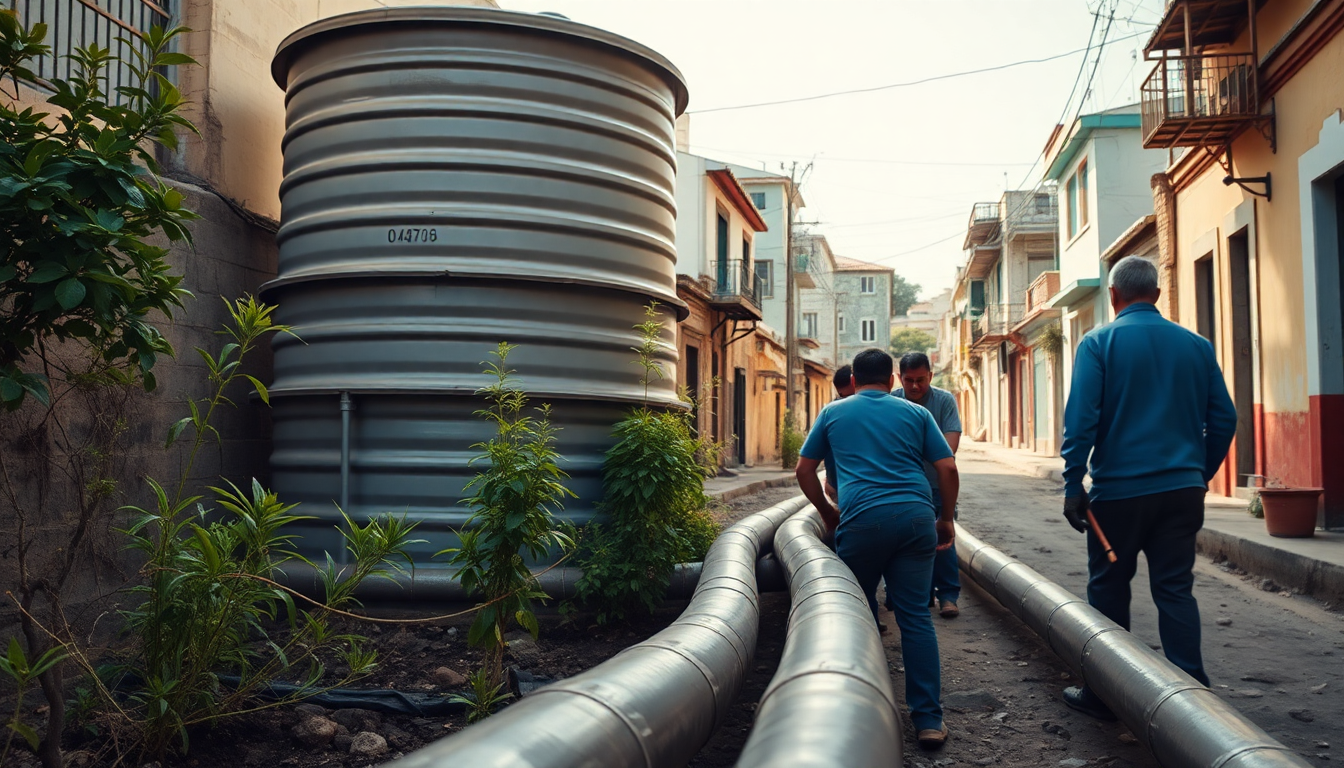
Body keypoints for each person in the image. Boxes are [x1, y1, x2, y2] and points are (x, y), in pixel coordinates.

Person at [1058, 256, 1237, 721]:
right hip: (1181, 491)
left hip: (1119, 493)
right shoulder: (1197, 346)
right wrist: (1198, 473)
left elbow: (1081, 420)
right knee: (1175, 588)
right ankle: (1194, 697)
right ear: (1156, 295)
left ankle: (1106, 692)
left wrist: (1073, 481)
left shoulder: (1098, 343)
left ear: (1113, 296)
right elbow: (1225, 418)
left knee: (1109, 587)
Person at [795, 348, 959, 750]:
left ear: (853, 381)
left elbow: (803, 469)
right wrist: (946, 518)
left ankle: (859, 716)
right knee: (916, 617)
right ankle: (928, 721)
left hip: (862, 523)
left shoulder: (834, 412)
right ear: (892, 381)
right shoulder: (918, 414)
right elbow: (948, 467)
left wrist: (828, 515)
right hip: (917, 520)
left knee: (855, 613)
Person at [893, 352, 963, 619]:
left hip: (937, 486)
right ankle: (917, 595)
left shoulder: (944, 401)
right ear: (899, 378)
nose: (914, 386)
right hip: (904, 487)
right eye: (908, 380)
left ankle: (948, 595)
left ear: (931, 376)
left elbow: (950, 449)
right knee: (905, 543)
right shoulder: (893, 401)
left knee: (942, 540)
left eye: (920, 380)